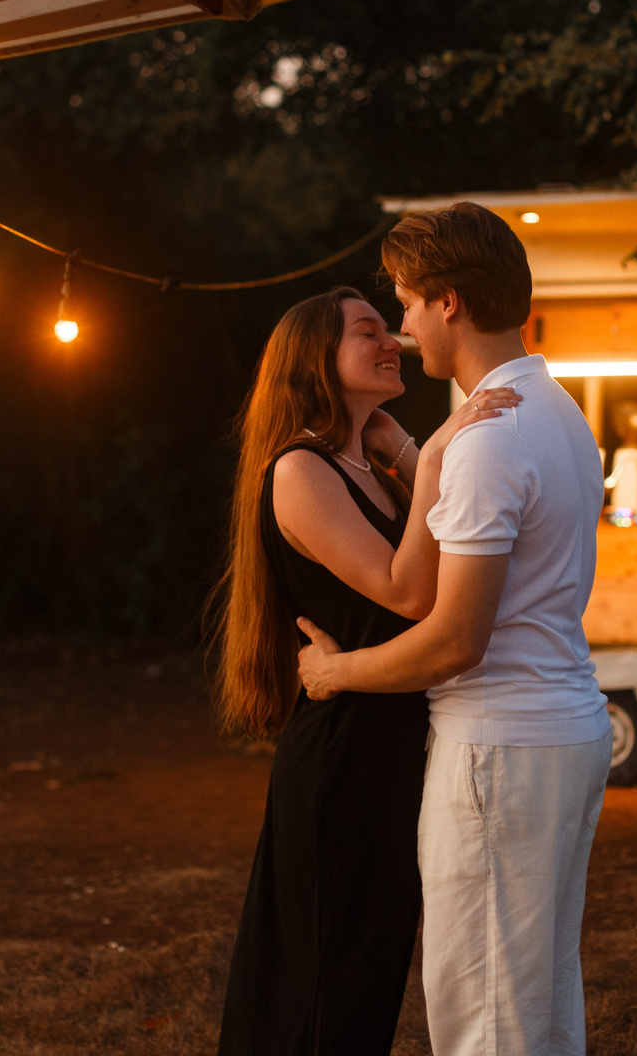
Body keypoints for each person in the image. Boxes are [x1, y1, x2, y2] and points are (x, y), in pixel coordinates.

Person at [297, 203, 614, 1056]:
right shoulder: (558, 411)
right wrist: (421, 453)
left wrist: (334, 672)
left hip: (499, 751)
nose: (402, 329)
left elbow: (454, 640)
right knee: (541, 1005)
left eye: (405, 302)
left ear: (449, 302)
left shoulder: (489, 439)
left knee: (488, 1022)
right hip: (565, 730)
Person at [213, 284, 521, 1056]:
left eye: (390, 327)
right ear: (316, 358)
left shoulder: (368, 467)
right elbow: (410, 591)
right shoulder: (300, 470)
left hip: (387, 749)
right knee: (325, 979)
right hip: (341, 756)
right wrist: (438, 450)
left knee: (368, 974)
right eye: (367, 332)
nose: (392, 342)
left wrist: (408, 452)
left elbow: (440, 561)